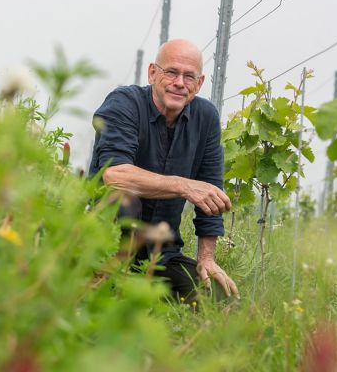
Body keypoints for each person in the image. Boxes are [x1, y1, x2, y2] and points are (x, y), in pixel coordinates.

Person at [89, 38, 239, 301]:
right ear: (152, 73)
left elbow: (211, 196)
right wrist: (184, 185)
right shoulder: (124, 104)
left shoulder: (206, 118)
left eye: (189, 76)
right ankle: (101, 281)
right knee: (125, 201)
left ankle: (145, 293)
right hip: (106, 247)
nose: (179, 83)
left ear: (200, 83)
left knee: (215, 297)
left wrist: (207, 258)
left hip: (162, 255)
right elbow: (114, 175)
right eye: (171, 72)